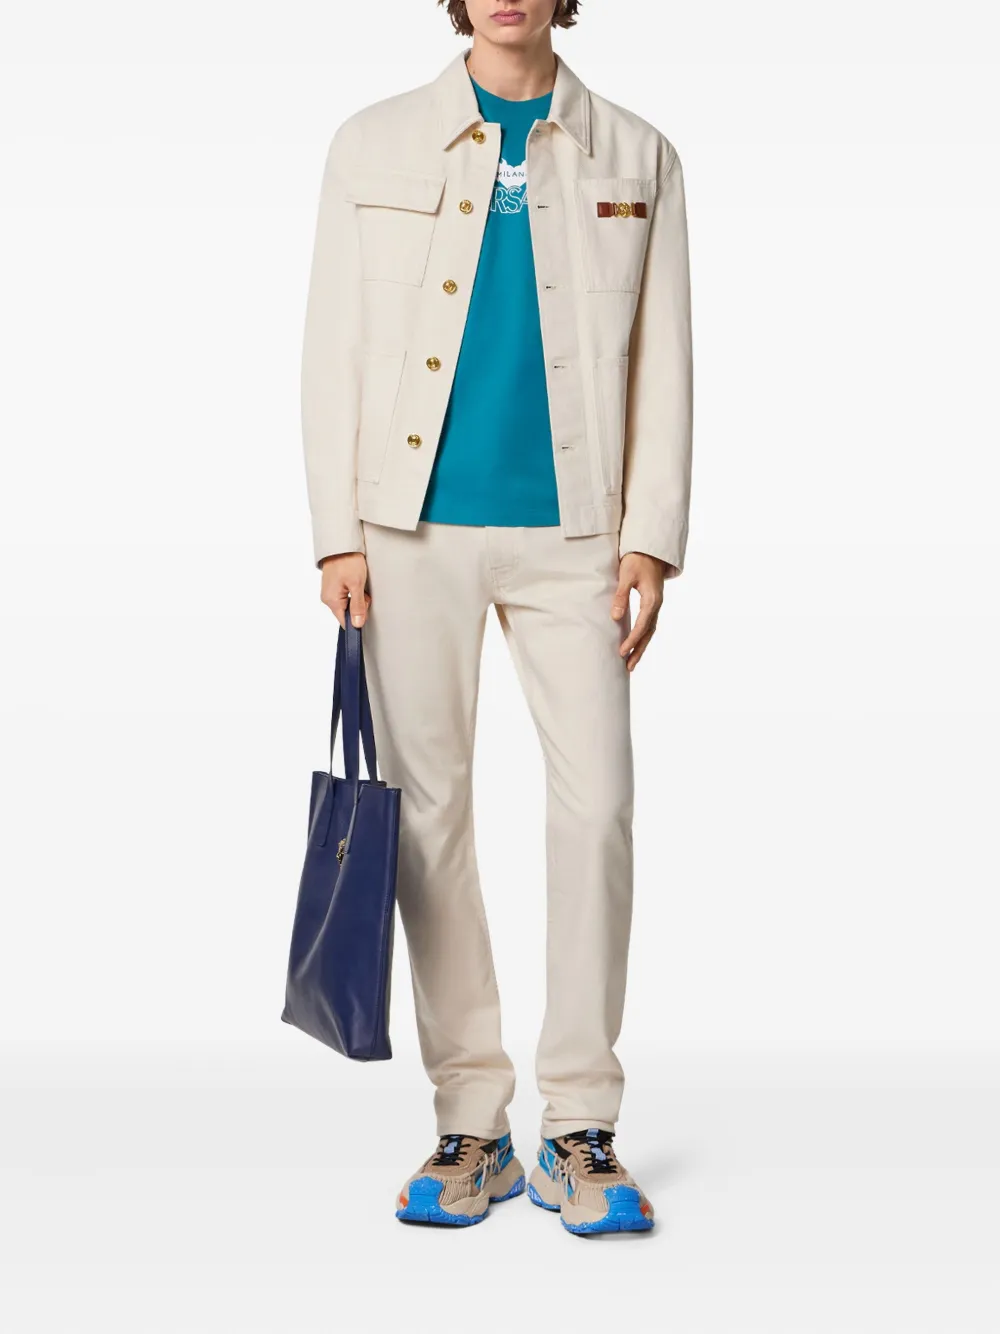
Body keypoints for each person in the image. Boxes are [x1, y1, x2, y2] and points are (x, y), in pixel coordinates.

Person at [300, 0, 692, 1235]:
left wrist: (651, 533)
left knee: (598, 805)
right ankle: (471, 1118)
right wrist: (335, 530)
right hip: (406, 528)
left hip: (580, 535)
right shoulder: (370, 143)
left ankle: (580, 1123)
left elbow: (665, 355)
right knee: (427, 818)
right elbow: (331, 344)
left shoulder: (637, 151)